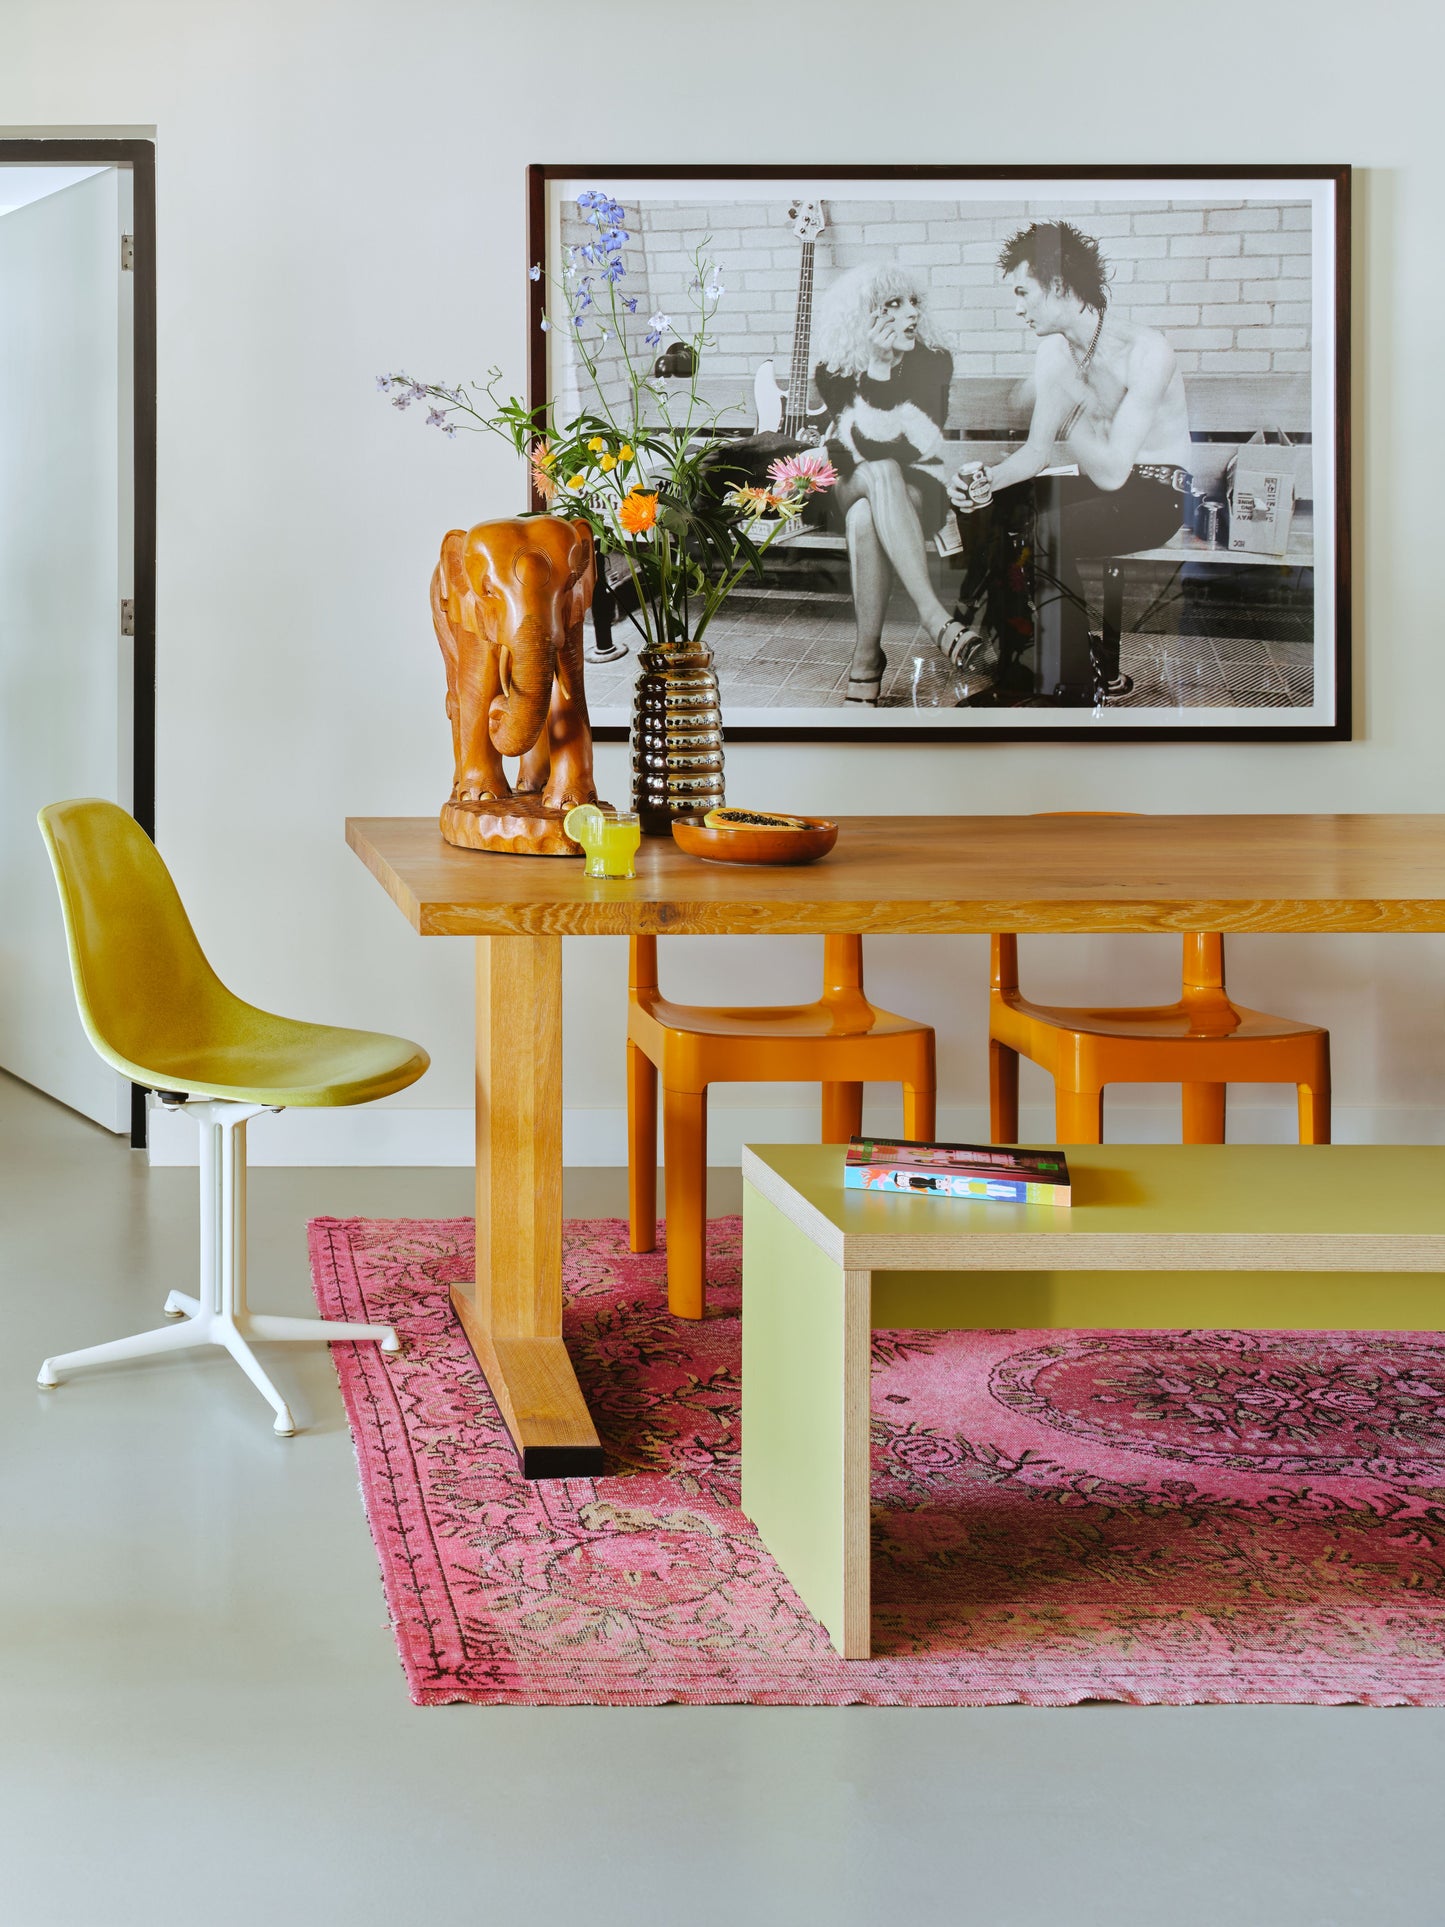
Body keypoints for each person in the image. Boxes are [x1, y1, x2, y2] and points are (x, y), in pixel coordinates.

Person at [946, 220, 1192, 703]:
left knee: (1050, 531)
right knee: (993, 506)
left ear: (1058, 286)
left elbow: (1114, 472)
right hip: (1101, 483)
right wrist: (985, 481)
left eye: (1023, 292)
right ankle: (1022, 667)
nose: (1017, 308)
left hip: (1156, 493)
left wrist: (1069, 395)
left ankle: (1072, 688)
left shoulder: (1147, 352)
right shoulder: (1055, 353)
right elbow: (1036, 454)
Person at [809, 264, 966, 704]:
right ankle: (933, 615)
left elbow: (920, 445)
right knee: (878, 471)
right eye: (893, 305)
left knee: (865, 517)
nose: (910, 313)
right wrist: (878, 370)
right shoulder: (835, 369)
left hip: (917, 487)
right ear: (864, 314)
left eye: (913, 302)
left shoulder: (934, 360)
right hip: (852, 480)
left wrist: (881, 396)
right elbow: (857, 451)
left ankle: (866, 659)